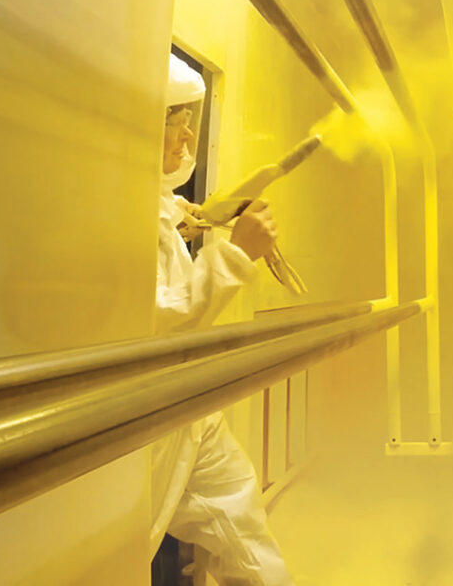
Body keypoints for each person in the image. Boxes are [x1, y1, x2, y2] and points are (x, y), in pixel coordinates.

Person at [151, 54, 294, 586]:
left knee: (244, 526)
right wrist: (238, 253)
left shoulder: (155, 202)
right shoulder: (109, 205)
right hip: (147, 415)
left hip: (185, 406)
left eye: (189, 119)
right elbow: (159, 318)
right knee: (113, 548)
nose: (186, 136)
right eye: (174, 120)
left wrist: (189, 221)